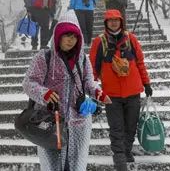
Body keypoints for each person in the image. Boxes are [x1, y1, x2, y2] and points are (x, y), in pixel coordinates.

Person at [23, 10, 108, 171]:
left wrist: (98, 92)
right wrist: (45, 94)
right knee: (52, 167)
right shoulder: (44, 57)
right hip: (50, 122)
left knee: (76, 166)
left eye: (75, 36)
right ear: (58, 36)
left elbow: (89, 82)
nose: (71, 40)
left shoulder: (82, 58)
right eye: (67, 35)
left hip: (78, 122)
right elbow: (29, 83)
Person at [89, 9, 152, 171]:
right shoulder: (99, 42)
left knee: (131, 126)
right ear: (105, 23)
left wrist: (147, 83)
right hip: (112, 95)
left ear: (121, 22)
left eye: (116, 20)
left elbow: (140, 63)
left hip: (133, 92)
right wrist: (91, 89)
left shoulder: (131, 39)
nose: (114, 23)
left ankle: (126, 150)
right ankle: (119, 159)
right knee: (116, 127)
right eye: (110, 20)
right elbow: (93, 69)